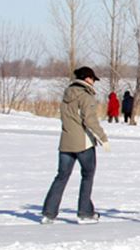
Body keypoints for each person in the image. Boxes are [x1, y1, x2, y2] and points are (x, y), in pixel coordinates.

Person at [41, 66, 110, 224]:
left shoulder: (66, 96)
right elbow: (90, 120)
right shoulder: (86, 96)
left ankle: (49, 213)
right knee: (87, 176)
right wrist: (103, 138)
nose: (94, 83)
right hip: (83, 143)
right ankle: (84, 213)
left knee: (61, 177)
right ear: (87, 79)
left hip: (65, 143)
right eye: (93, 80)